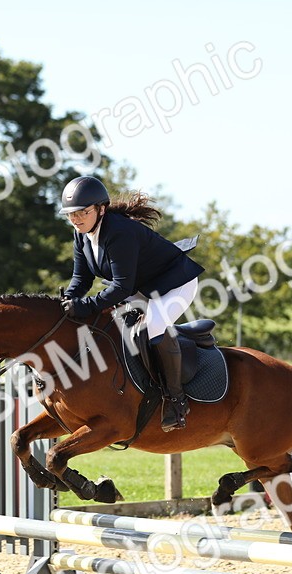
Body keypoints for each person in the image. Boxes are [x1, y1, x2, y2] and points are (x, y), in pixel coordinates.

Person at [58, 176, 205, 432]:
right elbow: (82, 278)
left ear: (101, 209)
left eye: (83, 212)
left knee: (152, 327)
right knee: (111, 325)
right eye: (71, 214)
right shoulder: (81, 234)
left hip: (174, 283)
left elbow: (121, 288)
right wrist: (69, 299)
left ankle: (176, 399)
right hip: (142, 287)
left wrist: (86, 305)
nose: (76, 219)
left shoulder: (119, 232)